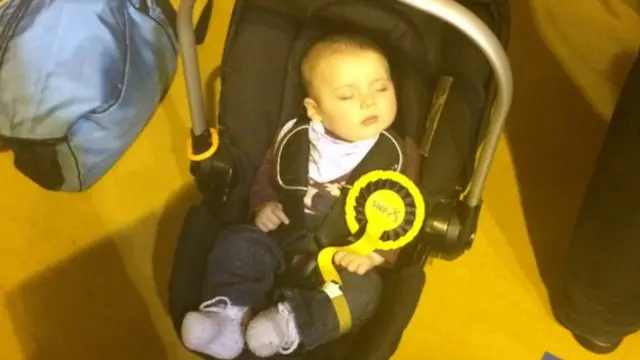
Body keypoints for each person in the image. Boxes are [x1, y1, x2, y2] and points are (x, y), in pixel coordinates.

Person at [180, 33, 408, 359]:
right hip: (281, 236)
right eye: (347, 96)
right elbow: (267, 175)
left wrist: (374, 255)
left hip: (343, 257)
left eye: (382, 88)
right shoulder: (296, 137)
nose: (369, 101)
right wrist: (263, 204)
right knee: (238, 242)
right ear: (315, 109)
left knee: (366, 290)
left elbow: (404, 212)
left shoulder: (396, 155)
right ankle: (228, 317)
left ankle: (290, 326)